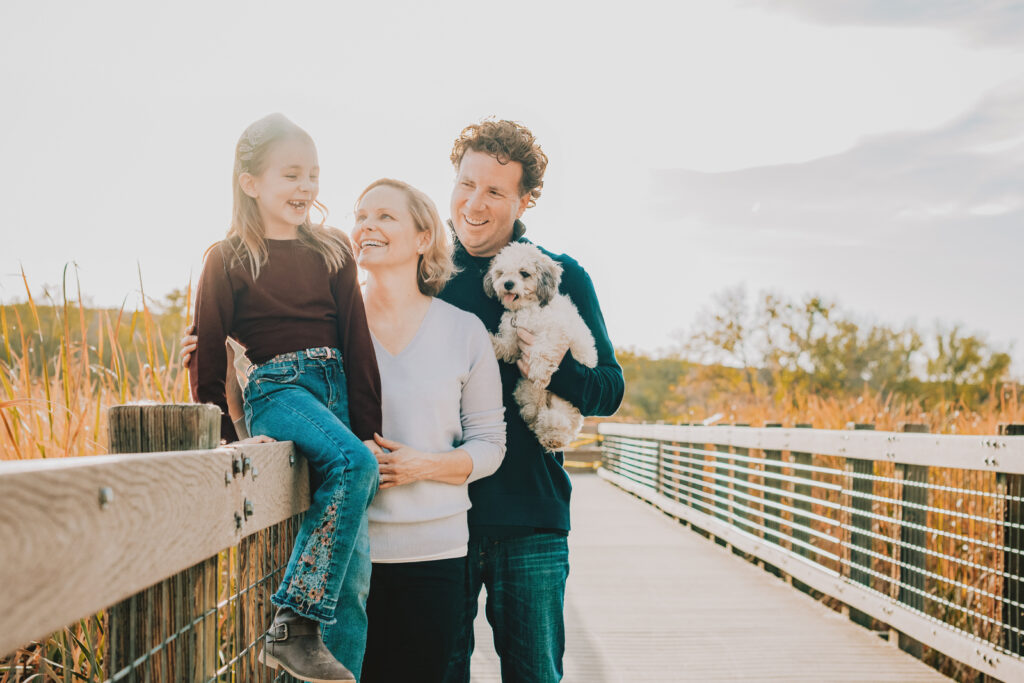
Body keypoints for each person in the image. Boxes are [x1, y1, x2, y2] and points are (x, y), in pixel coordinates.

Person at [184, 177, 507, 682]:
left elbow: (491, 446)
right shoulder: (321, 329)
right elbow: (284, 420)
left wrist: (422, 465)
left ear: (423, 238)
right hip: (346, 560)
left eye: (385, 216)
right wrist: (227, 386)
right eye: (360, 216)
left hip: (436, 555)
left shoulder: (463, 331)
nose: (365, 227)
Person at [189, 113, 380, 682]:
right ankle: (292, 624)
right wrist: (227, 439)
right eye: (291, 175)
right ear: (250, 182)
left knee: (353, 582)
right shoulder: (227, 257)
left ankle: (317, 651)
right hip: (278, 391)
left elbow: (358, 343)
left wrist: (368, 429)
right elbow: (207, 354)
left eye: (313, 175)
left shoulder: (333, 249)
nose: (306, 187)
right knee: (354, 465)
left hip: (335, 395)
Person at [439, 119, 624, 682]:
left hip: (530, 518)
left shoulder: (560, 276)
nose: (474, 203)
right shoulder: (424, 274)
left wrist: (550, 364)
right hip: (437, 517)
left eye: (495, 191)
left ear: (524, 201)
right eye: (467, 184)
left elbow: (609, 390)